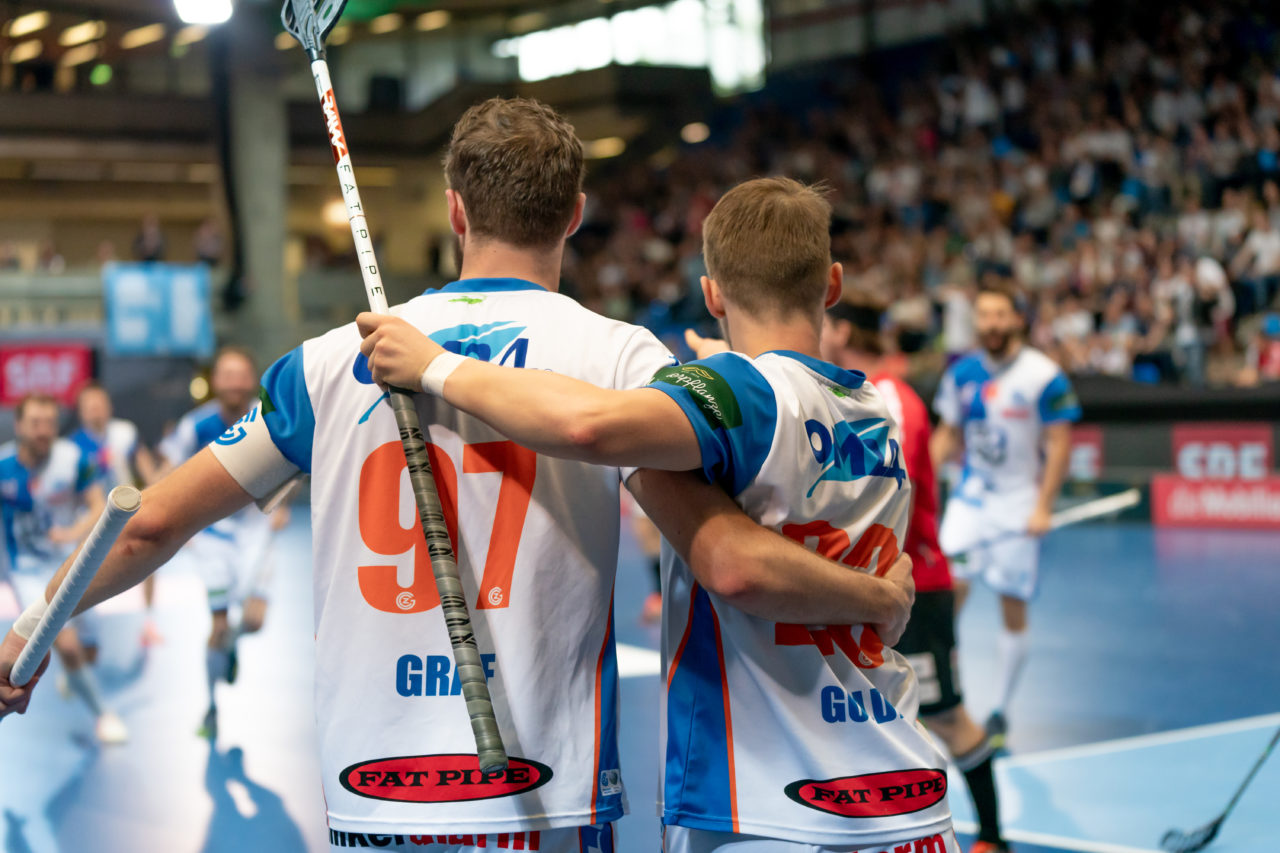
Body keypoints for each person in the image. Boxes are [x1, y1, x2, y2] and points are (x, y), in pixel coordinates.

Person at [0, 100, 916, 853]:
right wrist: (871, 593)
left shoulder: (327, 360)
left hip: (381, 795)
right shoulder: (622, 357)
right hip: (544, 796)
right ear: (576, 214)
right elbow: (726, 553)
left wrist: (34, 629)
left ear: (453, 211)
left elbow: (150, 523)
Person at [356, 177, 959, 853]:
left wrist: (435, 365)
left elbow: (589, 425)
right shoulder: (878, 411)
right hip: (904, 788)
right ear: (833, 284)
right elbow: (777, 424)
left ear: (711, 293)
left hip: (771, 805)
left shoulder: (745, 396)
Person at [820, 300, 1011, 853]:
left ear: (842, 329)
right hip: (880, 587)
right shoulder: (864, 393)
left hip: (913, 587)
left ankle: (994, 839)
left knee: (945, 718)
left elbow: (880, 495)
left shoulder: (889, 398)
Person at [930, 280, 1081, 744]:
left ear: (1017, 319)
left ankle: (998, 711)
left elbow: (1059, 445)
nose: (991, 324)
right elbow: (947, 433)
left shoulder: (1044, 375)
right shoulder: (961, 374)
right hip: (971, 498)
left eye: (1000, 315)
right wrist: (918, 482)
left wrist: (1042, 507)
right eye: (984, 315)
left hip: (1018, 504)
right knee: (943, 591)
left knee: (1011, 608)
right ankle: (940, 693)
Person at [155, 346, 286, 740]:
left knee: (254, 621)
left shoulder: (270, 417)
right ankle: (211, 709)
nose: (234, 382)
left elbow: (294, 464)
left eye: (241, 375)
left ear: (252, 380)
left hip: (257, 532)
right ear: (215, 382)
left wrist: (281, 505)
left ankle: (229, 645)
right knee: (217, 624)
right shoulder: (196, 425)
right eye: (226, 375)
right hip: (211, 536)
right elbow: (166, 470)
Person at [0, 393, 127, 744]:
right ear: (19, 425)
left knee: (89, 649)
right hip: (26, 570)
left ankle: (74, 676)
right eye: (35, 423)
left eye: (50, 424)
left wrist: (71, 533)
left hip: (72, 564)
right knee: (67, 645)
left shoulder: (74, 460)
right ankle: (105, 716)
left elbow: (97, 505)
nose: (44, 431)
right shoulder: (3, 466)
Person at [71, 383, 163, 646]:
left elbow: (147, 471)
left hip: (129, 512)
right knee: (83, 576)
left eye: (100, 404)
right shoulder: (73, 447)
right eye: (89, 407)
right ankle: (83, 632)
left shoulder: (125, 433)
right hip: (91, 519)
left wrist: (159, 484)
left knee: (150, 559)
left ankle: (149, 621)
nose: (96, 411)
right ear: (81, 412)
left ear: (109, 407)